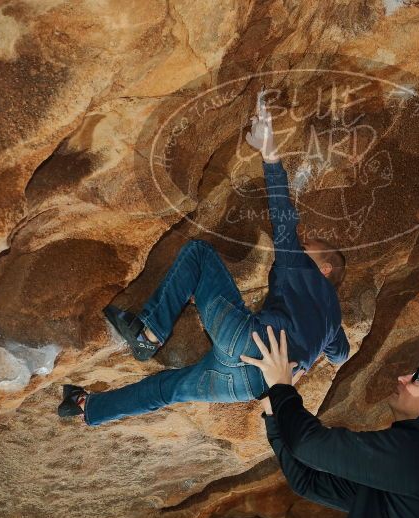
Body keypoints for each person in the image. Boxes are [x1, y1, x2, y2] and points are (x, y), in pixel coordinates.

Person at [58, 99, 350, 424]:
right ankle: (87, 407)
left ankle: (150, 334)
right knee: (167, 391)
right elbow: (341, 355)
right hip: (249, 386)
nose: (301, 246)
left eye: (308, 246)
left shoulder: (305, 272)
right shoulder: (332, 323)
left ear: (324, 269)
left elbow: (284, 218)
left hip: (247, 340)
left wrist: (269, 153)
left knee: (199, 254)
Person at [240, 325, 419, 518]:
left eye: (416, 380)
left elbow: (308, 445)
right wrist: (274, 414)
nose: (402, 378)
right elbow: (309, 481)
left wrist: (282, 388)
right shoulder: (417, 462)